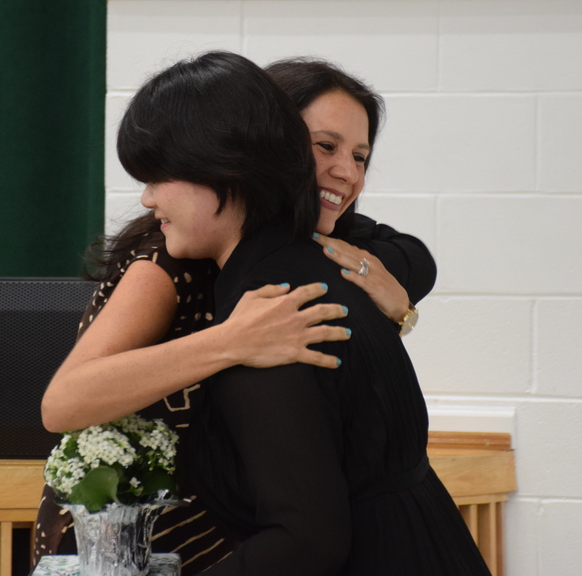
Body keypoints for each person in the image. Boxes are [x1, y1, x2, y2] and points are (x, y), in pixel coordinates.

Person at [33, 55, 438, 573]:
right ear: (253, 146)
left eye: (360, 156)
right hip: (142, 522)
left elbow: (413, 256)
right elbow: (64, 403)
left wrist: (395, 306)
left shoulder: (309, 247)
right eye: (324, 146)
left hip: (245, 526)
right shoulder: (172, 260)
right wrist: (231, 341)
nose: (347, 171)